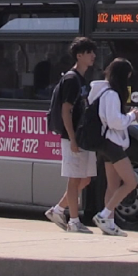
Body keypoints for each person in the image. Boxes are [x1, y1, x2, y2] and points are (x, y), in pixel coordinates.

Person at [44, 37, 97, 234]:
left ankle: (58, 210)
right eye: (88, 52)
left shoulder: (82, 80)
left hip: (81, 136)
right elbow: (66, 110)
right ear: (79, 55)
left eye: (93, 52)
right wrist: (72, 138)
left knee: (85, 179)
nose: (93, 56)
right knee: (75, 179)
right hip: (72, 137)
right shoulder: (72, 79)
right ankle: (74, 221)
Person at [90, 58, 138, 236]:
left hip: (105, 143)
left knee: (112, 185)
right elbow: (115, 122)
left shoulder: (102, 91)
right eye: (127, 76)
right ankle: (104, 215)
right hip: (112, 144)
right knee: (131, 183)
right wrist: (132, 116)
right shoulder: (111, 94)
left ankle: (109, 223)